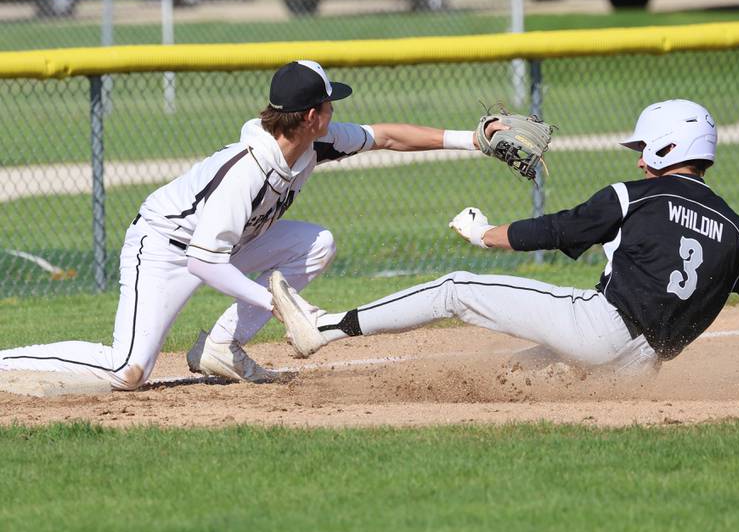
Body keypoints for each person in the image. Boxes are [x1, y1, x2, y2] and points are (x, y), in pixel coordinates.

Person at [0, 60, 491, 390]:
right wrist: (274, 301)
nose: (335, 110)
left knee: (316, 244)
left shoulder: (312, 140)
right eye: (329, 104)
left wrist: (473, 139)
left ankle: (220, 347)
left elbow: (386, 137)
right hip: (168, 249)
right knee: (127, 370)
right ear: (313, 116)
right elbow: (202, 261)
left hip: (225, 246)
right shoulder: (248, 171)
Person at [270, 99, 739, 375]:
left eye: (646, 147)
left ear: (668, 148)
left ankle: (323, 328)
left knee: (455, 289)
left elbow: (560, 227)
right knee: (516, 373)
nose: (639, 158)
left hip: (599, 329)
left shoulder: (636, 195)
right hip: (641, 370)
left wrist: (486, 235)